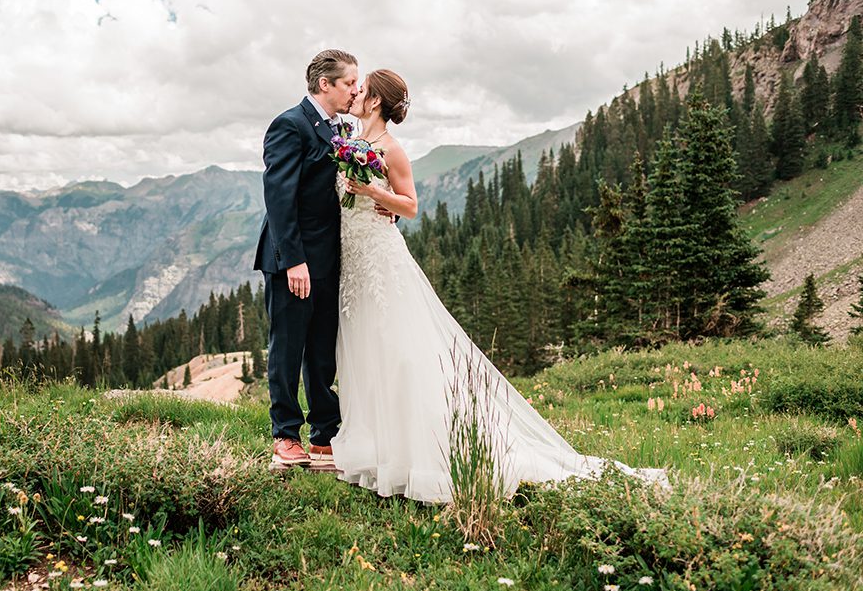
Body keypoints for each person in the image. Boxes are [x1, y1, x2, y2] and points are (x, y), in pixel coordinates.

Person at [330, 68, 667, 501]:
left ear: (375, 101)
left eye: (362, 91)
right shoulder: (352, 145)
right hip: (354, 256)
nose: (355, 95)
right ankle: (373, 444)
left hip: (381, 258)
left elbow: (411, 207)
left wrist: (376, 194)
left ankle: (417, 451)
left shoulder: (391, 151)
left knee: (399, 349)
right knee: (365, 344)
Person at [254, 49, 358, 470]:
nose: (356, 89)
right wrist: (294, 260)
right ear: (324, 85)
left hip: (330, 256)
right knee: (288, 345)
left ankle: (325, 434)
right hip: (293, 257)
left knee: (321, 347)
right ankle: (285, 435)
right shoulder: (290, 125)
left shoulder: (340, 129)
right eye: (350, 83)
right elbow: (279, 198)